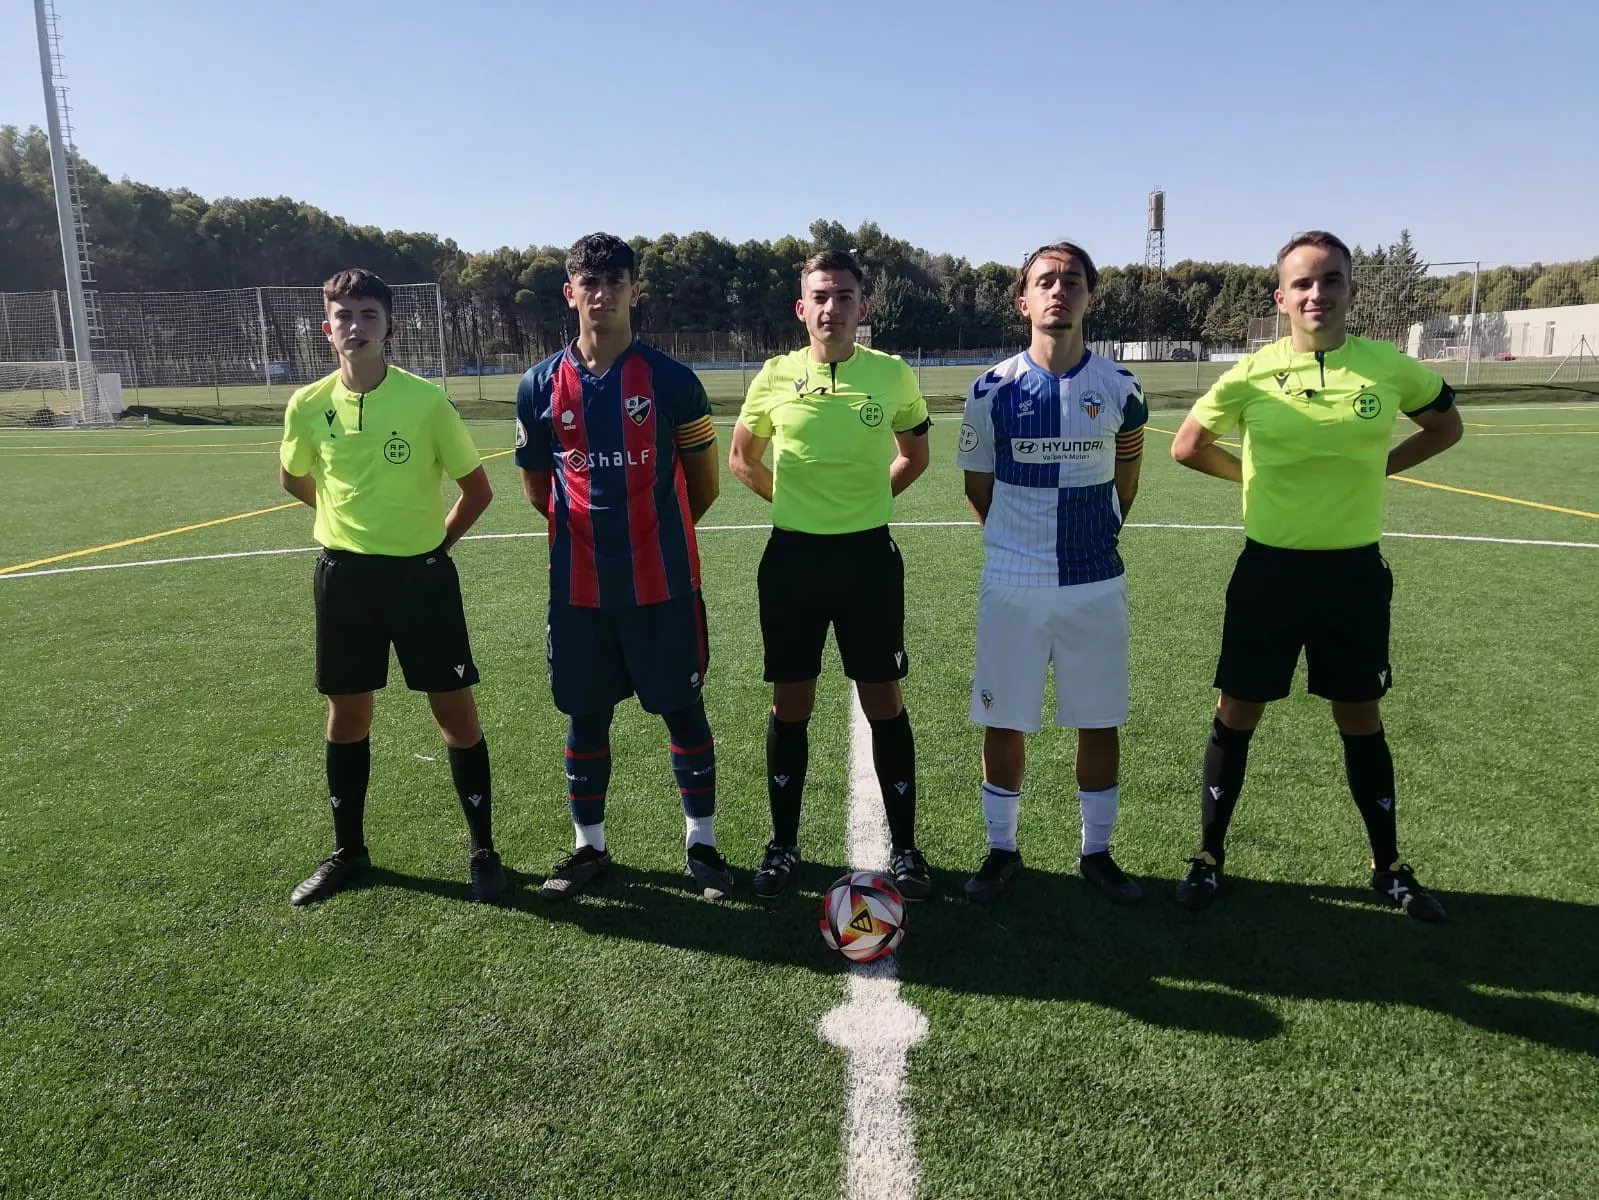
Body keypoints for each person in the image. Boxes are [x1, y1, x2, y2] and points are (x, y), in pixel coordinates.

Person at [1170, 230, 1464, 921]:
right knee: (1236, 711)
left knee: (1359, 715)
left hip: (1352, 575)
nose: (1315, 293)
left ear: (1349, 291)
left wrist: (1379, 468)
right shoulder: (1252, 373)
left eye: (1329, 280)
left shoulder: (1386, 368)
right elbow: (1187, 447)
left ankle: (1387, 865)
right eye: (1300, 283)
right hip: (1267, 573)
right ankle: (1208, 856)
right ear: (1279, 296)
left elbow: (1445, 427)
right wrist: (1250, 475)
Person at [514, 233, 730, 901]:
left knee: (681, 710)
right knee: (585, 716)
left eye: (615, 282)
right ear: (569, 291)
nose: (601, 293)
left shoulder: (671, 381)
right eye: (589, 281)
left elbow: (704, 485)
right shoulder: (538, 385)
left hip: (661, 583)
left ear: (635, 291)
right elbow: (537, 490)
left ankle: (703, 844)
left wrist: (649, 535)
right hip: (578, 588)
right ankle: (589, 848)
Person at [279, 268, 503, 906]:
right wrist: (341, 521)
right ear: (327, 329)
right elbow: (294, 477)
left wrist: (431, 549)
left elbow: (477, 490)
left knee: (454, 714)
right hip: (345, 579)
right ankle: (350, 850)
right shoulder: (307, 405)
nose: (356, 326)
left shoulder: (426, 401)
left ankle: (484, 849)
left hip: (420, 580)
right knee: (347, 715)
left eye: (368, 315)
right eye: (344, 316)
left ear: (389, 327)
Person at [728, 250, 933, 899]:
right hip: (793, 560)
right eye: (819, 296)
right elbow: (740, 458)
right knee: (793, 704)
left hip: (867, 558)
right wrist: (796, 506)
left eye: (843, 296)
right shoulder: (772, 375)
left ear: (861, 307)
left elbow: (914, 454)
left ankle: (904, 849)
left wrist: (865, 503)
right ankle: (783, 846)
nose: (831, 307)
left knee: (883, 701)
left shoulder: (892, 376)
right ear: (800, 308)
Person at [955, 242, 1148, 905]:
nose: (1058, 291)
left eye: (1071, 281)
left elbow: (1128, 474)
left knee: (1097, 720)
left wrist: (1099, 532)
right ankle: (1001, 850)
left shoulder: (1120, 388)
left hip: (1094, 579)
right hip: (1011, 582)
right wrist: (1016, 545)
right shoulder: (990, 389)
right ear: (1023, 300)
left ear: (1089, 297)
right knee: (1004, 719)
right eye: (1045, 281)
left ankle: (1096, 853)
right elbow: (976, 488)